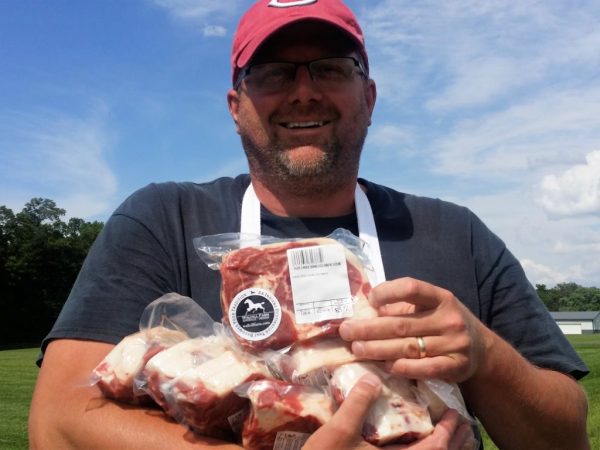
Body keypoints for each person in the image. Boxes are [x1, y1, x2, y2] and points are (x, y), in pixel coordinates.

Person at [29, 1, 590, 449]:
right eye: (273, 73)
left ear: (368, 97)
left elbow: (567, 439)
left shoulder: (456, 235)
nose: (303, 90)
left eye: (330, 68)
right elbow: (58, 425)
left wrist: (484, 355)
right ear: (235, 104)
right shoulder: (163, 220)